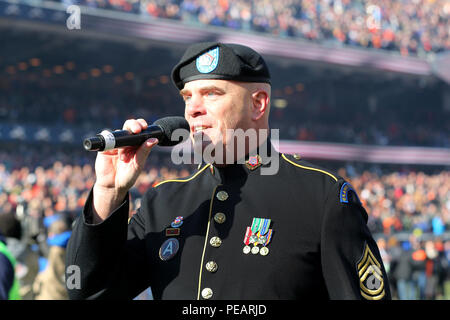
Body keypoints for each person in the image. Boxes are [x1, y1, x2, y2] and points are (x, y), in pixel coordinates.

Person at [66, 42, 391, 300]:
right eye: (187, 96)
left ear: (258, 103)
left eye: (212, 94)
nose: (193, 108)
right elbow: (88, 291)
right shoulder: (162, 202)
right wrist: (109, 191)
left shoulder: (321, 198)